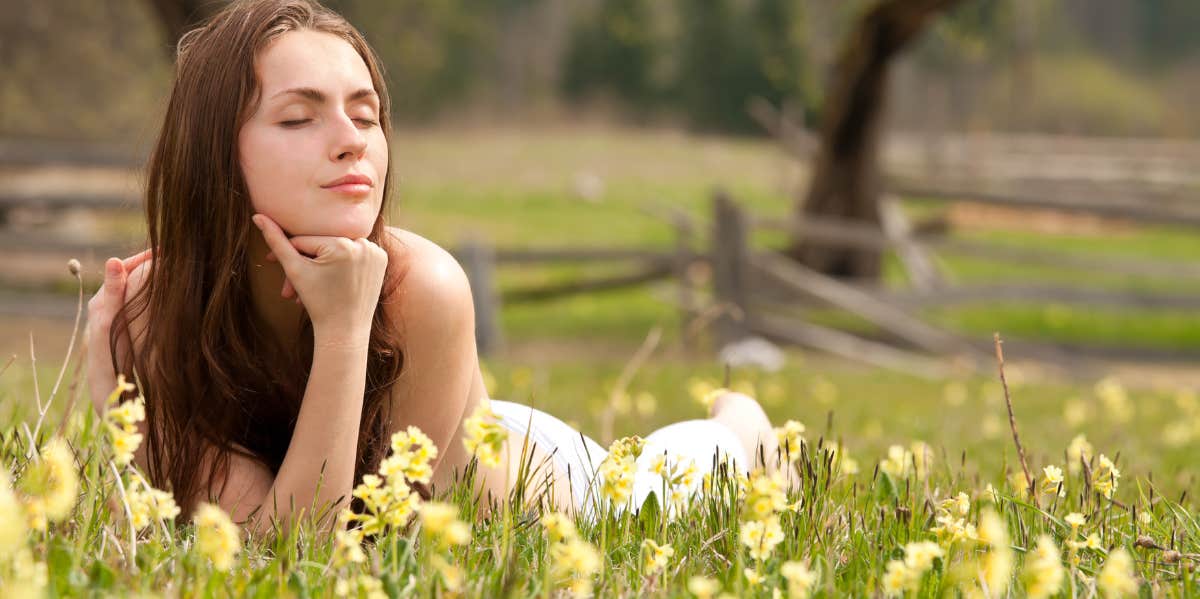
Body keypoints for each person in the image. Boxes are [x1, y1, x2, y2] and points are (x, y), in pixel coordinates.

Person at [84, 0, 784, 537]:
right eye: (299, 119)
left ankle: (742, 425)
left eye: (367, 116)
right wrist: (116, 398)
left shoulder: (425, 289)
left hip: (563, 488)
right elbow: (257, 551)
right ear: (213, 155)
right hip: (450, 433)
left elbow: (325, 554)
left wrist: (347, 325)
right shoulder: (154, 310)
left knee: (683, 481)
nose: (350, 143)